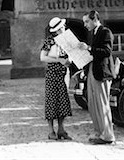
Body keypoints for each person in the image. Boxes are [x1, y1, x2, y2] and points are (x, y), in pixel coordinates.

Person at [79, 10, 116, 145]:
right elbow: (93, 54)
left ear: (95, 20)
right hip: (93, 72)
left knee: (102, 105)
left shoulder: (105, 32)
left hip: (101, 74)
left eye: (87, 21)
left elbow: (107, 51)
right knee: (94, 105)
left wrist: (88, 48)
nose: (85, 25)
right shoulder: (93, 33)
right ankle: (100, 133)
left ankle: (107, 135)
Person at [40, 17, 73, 141]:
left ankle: (61, 129)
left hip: (63, 73)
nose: (64, 29)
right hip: (52, 73)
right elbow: (43, 57)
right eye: (62, 27)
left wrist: (69, 60)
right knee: (52, 101)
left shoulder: (66, 41)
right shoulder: (49, 41)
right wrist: (58, 60)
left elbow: (70, 56)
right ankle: (50, 130)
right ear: (58, 30)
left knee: (63, 101)